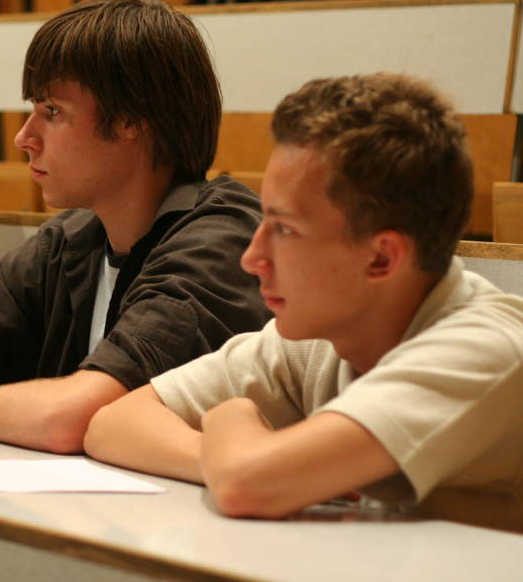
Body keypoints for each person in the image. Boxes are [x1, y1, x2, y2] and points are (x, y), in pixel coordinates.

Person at [84, 72, 523, 533]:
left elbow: (245, 485)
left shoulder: (483, 350)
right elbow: (113, 423)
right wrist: (230, 457)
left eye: (285, 229)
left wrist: (233, 418)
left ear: (381, 258)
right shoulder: (325, 335)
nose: (252, 258)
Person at [0, 0, 271, 453]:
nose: (24, 137)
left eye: (53, 112)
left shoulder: (223, 240)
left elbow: (72, 417)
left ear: (132, 120)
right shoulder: (67, 240)